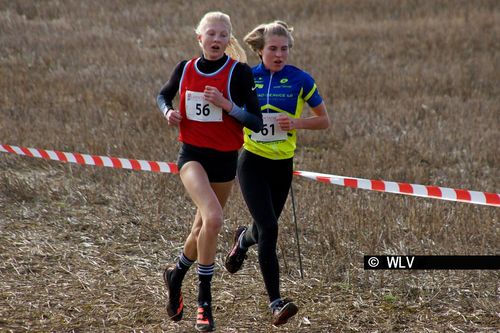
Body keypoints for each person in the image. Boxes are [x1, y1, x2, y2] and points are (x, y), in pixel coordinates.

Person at [156, 11, 262, 332]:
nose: (216, 40)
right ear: (199, 37)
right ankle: (204, 302)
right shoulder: (185, 68)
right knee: (214, 219)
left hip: (225, 161)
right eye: (210, 34)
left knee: (202, 228)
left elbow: (255, 121)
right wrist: (168, 112)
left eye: (222, 35)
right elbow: (163, 95)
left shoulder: (239, 73)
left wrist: (228, 105)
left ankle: (175, 277)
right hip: (192, 158)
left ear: (228, 40)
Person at [224, 20, 330, 326]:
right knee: (270, 228)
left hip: (282, 165)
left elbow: (323, 120)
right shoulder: (246, 77)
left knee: (263, 228)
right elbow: (231, 112)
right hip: (252, 162)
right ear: (259, 50)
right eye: (273, 48)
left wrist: (295, 123)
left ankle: (243, 239)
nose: (279, 54)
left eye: (284, 48)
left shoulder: (300, 79)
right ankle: (275, 303)